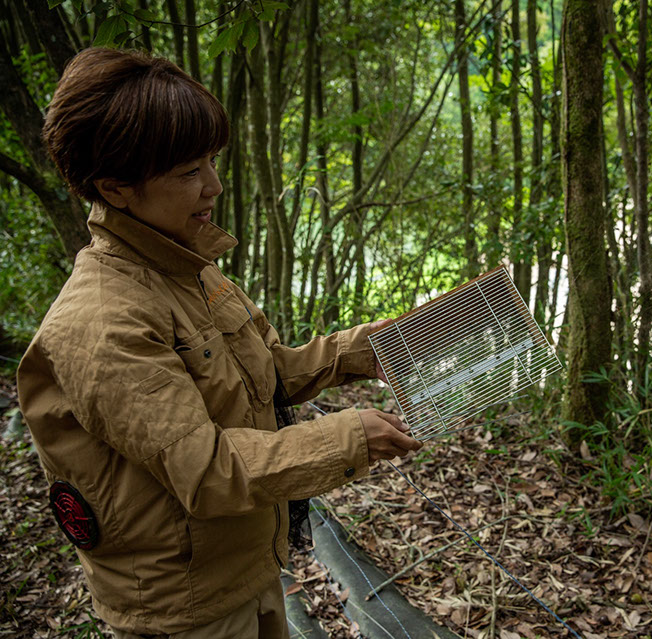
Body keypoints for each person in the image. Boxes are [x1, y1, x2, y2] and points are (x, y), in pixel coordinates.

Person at [16, 47, 422, 639]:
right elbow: (205, 471)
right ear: (116, 188)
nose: (214, 185)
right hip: (186, 609)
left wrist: (361, 351)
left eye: (211, 160)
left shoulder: (186, 266)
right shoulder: (101, 322)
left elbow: (263, 374)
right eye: (188, 172)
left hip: (247, 568)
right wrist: (350, 436)